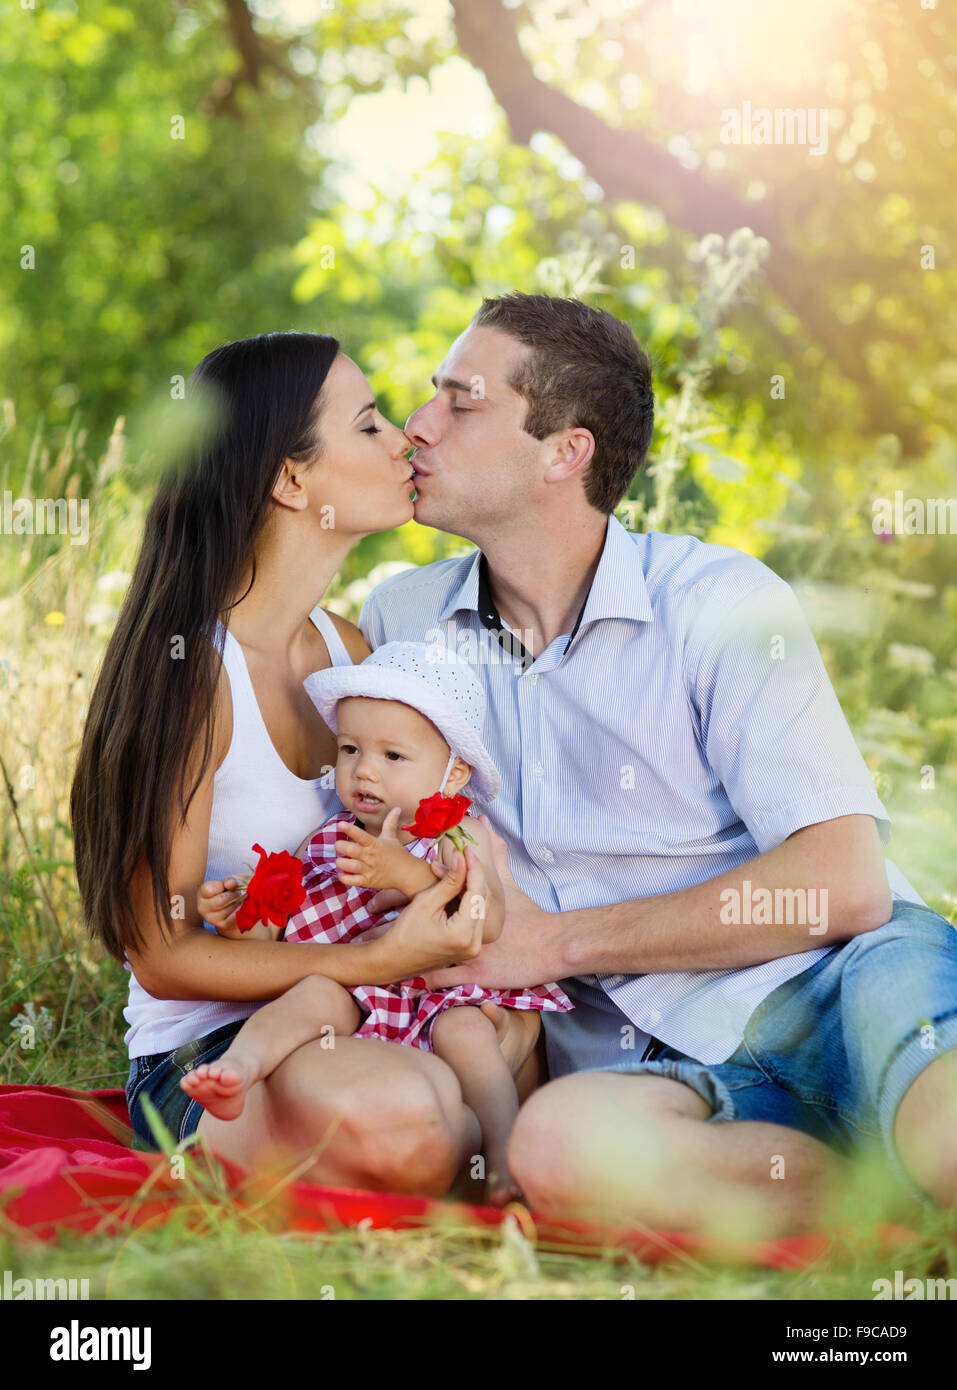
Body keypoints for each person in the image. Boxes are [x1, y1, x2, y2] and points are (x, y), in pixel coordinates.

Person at [358, 291, 957, 1236]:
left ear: (566, 451)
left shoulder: (718, 600)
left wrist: (553, 945)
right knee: (552, 1151)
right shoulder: (400, 622)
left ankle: (915, 1162)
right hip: (658, 1063)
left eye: (460, 402)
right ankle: (880, 1204)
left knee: (946, 1139)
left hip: (839, 980)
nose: (415, 429)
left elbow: (840, 887)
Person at [70, 331, 498, 1195]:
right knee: (412, 1122)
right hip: (210, 1047)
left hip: (357, 1019)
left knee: (463, 1092)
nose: (404, 440)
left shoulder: (350, 651)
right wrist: (377, 963)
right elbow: (160, 954)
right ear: (291, 479)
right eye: (371, 425)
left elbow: (402, 843)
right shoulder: (192, 669)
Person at [183, 641, 571, 1203]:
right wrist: (242, 918)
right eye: (349, 749)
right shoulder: (328, 839)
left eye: (393, 756)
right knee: (312, 993)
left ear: (454, 773)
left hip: (440, 997)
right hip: (355, 991)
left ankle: (505, 1157)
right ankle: (238, 1071)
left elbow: (484, 922)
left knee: (468, 1034)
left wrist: (403, 874)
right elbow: (283, 934)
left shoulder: (460, 834)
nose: (363, 770)